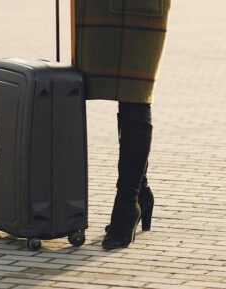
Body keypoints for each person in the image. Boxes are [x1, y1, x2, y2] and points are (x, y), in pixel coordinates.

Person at [72, 0, 171, 250]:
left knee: (136, 97)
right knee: (125, 99)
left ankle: (126, 205)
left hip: (140, 9)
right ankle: (141, 191)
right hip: (94, 8)